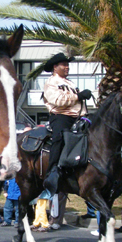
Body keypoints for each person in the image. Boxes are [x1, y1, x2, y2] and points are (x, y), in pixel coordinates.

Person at [41, 52, 92, 195]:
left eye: (67, 65)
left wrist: (82, 98)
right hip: (61, 116)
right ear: (55, 67)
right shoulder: (51, 82)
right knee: (59, 138)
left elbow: (76, 100)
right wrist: (78, 96)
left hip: (79, 117)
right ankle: (52, 171)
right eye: (64, 65)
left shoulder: (70, 83)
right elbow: (57, 100)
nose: (67, 67)